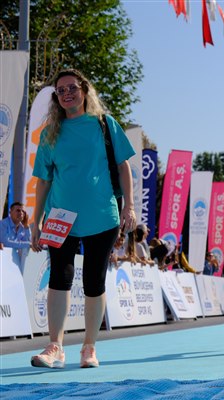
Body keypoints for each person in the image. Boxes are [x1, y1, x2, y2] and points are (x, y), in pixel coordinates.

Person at [29, 69, 136, 369]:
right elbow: (43, 181)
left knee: (93, 280)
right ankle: (55, 347)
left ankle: (89, 347)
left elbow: (123, 167)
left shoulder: (104, 124)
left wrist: (129, 207)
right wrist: (36, 221)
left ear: (84, 90)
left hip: (101, 216)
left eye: (71, 88)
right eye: (60, 90)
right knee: (59, 278)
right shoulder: (51, 132)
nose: (66, 94)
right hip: (60, 217)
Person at [0, 201, 32, 272]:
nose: (21, 213)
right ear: (10, 212)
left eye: (23, 211)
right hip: (2, 263)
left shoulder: (23, 227)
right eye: (18, 210)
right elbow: (6, 243)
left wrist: (27, 226)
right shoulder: (2, 224)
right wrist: (28, 244)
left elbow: (28, 242)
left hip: (13, 264)